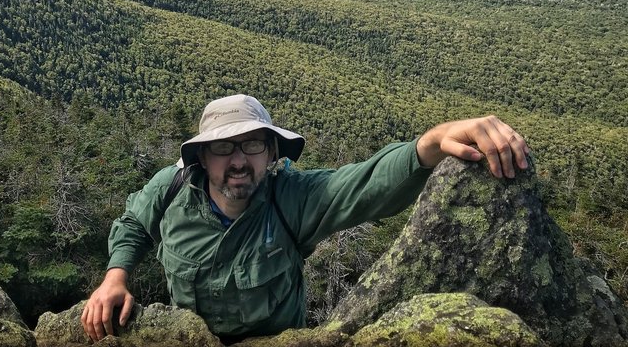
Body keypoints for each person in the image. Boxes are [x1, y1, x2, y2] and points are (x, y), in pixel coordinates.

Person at [81, 94, 529, 342]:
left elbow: (365, 185)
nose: (238, 161)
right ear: (201, 156)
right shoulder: (172, 189)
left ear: (272, 153)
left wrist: (429, 145)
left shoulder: (292, 199)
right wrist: (115, 278)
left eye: (252, 145)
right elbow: (134, 223)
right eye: (223, 147)